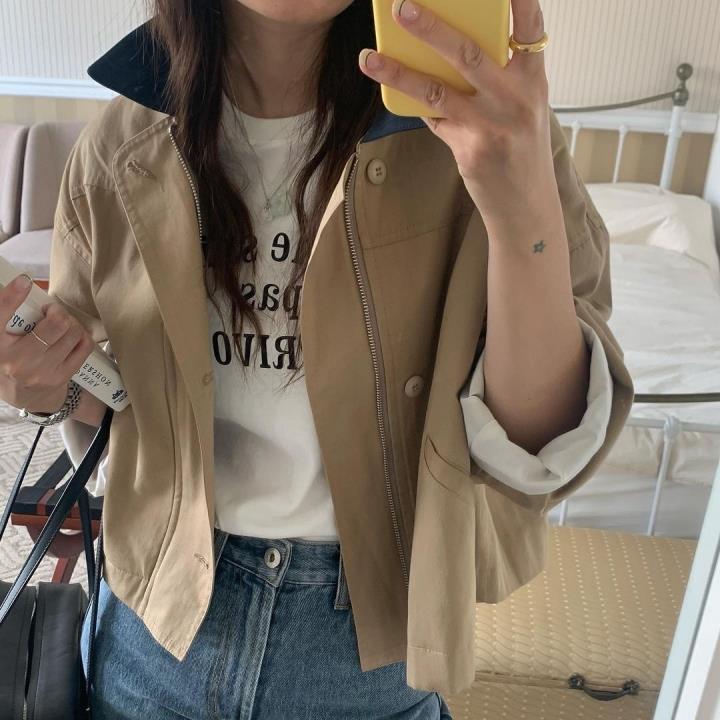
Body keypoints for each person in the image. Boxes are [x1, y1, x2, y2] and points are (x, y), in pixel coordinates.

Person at [0, 0, 634, 717]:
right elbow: (114, 400)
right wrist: (42, 383)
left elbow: (539, 443)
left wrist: (521, 206)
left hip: (366, 649)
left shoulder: (478, 127)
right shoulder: (120, 146)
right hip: (154, 633)